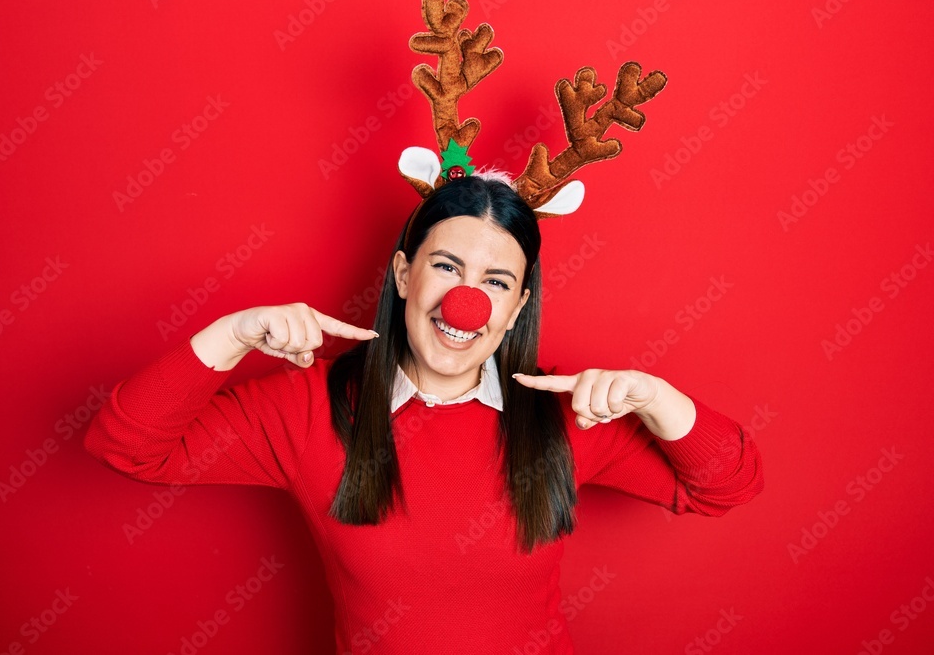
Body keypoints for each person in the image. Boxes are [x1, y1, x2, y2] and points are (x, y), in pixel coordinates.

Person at [84, 173, 764, 654]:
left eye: (496, 282)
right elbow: (128, 445)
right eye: (445, 266)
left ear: (518, 306)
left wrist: (654, 396)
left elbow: (728, 485)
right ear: (404, 274)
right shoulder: (306, 406)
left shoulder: (564, 414)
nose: (464, 301)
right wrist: (232, 333)